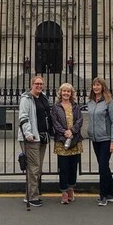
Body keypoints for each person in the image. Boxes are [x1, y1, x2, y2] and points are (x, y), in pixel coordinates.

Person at [17, 75, 52, 207]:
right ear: (31, 84)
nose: (39, 86)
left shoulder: (43, 97)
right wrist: (27, 133)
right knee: (33, 167)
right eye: (36, 83)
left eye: (41, 84)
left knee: (37, 167)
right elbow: (23, 116)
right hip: (31, 137)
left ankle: (31, 193)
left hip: (42, 137)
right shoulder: (26, 99)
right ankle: (32, 196)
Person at [87, 77, 113, 206]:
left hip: (106, 139)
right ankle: (111, 193)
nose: (96, 87)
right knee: (104, 166)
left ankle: (103, 195)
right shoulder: (90, 102)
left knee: (102, 167)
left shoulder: (109, 102)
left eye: (98, 85)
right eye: (94, 85)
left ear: (103, 87)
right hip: (95, 139)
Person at [50, 82, 83, 204]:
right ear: (60, 93)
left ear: (71, 93)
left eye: (68, 91)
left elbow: (80, 120)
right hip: (61, 140)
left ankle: (71, 189)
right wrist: (65, 132)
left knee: (73, 167)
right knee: (63, 168)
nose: (66, 93)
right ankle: (63, 191)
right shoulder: (56, 106)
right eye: (64, 91)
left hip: (74, 140)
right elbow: (55, 122)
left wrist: (72, 131)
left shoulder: (75, 106)